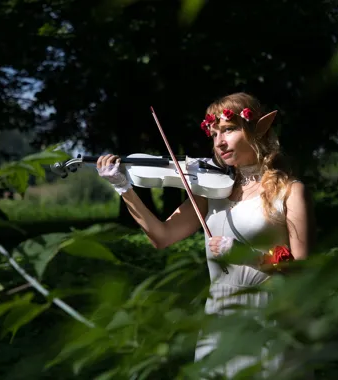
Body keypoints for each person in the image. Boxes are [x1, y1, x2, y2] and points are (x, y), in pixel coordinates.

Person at [95, 92, 315, 377]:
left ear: (257, 129)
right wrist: (125, 189)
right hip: (219, 322)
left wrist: (247, 255)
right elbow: (161, 237)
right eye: (214, 134)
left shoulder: (291, 192)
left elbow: (303, 269)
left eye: (229, 130)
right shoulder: (213, 191)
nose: (219, 142)